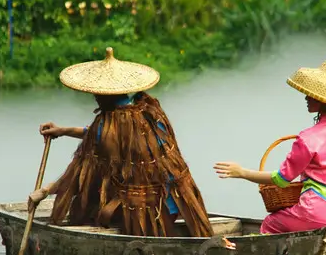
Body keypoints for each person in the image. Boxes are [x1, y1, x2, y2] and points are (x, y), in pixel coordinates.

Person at [26, 47, 213, 238]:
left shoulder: (107, 124)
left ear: (103, 96)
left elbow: (77, 172)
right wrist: (63, 130)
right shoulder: (151, 113)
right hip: (178, 203)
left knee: (93, 208)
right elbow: (98, 135)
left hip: (143, 213)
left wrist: (45, 191)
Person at [213, 59, 326, 234]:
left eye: (311, 94)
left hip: (318, 212)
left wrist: (242, 172)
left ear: (321, 100)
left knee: (271, 223)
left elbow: (282, 179)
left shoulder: (308, 137)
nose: (306, 97)